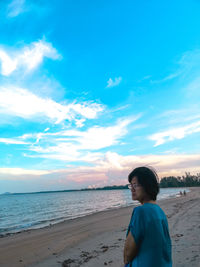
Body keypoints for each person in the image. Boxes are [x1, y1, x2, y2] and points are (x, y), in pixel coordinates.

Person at [124, 166, 172, 267]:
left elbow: (128, 253)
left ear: (147, 186)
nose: (131, 189)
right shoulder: (159, 211)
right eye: (131, 185)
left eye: (135, 185)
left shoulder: (141, 211)